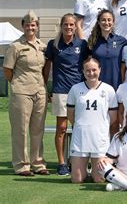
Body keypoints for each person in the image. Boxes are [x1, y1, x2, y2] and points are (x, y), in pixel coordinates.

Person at [3, 10, 49, 176]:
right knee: (20, 130)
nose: (31, 27)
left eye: (34, 24)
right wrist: (17, 84)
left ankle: (38, 163)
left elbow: (45, 69)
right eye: (28, 24)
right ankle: (22, 165)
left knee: (38, 129)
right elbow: (7, 70)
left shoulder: (43, 46)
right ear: (23, 26)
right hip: (21, 92)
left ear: (37, 27)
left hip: (39, 92)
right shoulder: (15, 46)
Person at [44, 13, 88, 176]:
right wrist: (46, 86)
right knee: (62, 128)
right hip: (60, 91)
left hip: (80, 91)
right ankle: (62, 163)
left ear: (76, 26)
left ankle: (81, 161)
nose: (69, 27)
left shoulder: (82, 44)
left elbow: (88, 64)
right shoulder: (53, 44)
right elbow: (47, 67)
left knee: (80, 127)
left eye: (72, 25)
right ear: (61, 26)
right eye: (66, 25)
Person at [66, 58, 118, 183]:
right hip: (80, 139)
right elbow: (71, 115)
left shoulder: (108, 90)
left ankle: (93, 171)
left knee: (99, 179)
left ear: (100, 70)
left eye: (94, 70)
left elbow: (113, 116)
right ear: (83, 72)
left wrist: (100, 127)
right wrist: (81, 126)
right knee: (77, 179)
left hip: (99, 140)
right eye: (87, 70)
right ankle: (83, 170)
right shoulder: (75, 89)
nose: (91, 73)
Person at [87, 9, 127, 90]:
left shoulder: (122, 41)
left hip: (118, 85)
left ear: (113, 22)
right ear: (98, 22)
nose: (106, 23)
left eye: (109, 20)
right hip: (98, 86)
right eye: (103, 20)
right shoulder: (93, 42)